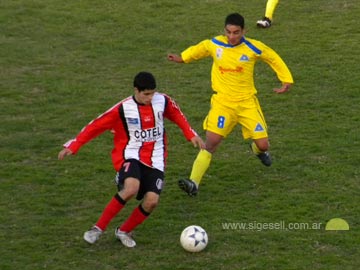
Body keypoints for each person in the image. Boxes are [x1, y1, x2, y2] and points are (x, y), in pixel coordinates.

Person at [58, 71, 205, 247]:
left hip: (157, 158)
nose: (150, 98)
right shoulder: (122, 109)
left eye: (152, 93)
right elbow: (96, 125)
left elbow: (176, 115)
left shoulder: (162, 100)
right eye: (146, 94)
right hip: (131, 154)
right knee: (131, 189)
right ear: (136, 90)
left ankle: (124, 231)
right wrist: (74, 145)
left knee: (152, 202)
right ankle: (97, 229)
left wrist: (190, 134)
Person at [167, 13, 293, 196]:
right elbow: (200, 49)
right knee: (211, 143)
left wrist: (286, 80)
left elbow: (272, 57)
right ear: (224, 30)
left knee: (264, 144)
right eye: (229, 32)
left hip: (247, 103)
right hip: (223, 103)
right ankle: (193, 183)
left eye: (236, 32)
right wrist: (183, 57)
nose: (232, 36)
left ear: (244, 31)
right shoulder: (216, 44)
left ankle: (257, 151)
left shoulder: (253, 47)